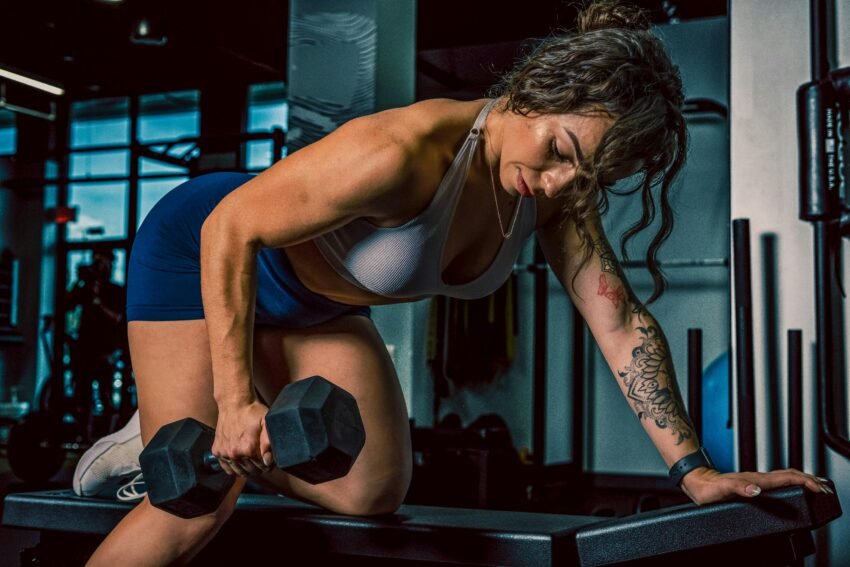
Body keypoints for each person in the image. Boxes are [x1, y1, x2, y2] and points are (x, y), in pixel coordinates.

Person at [79, 2, 831, 565]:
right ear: (535, 89)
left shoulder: (553, 197)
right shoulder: (404, 151)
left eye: (586, 173)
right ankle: (158, 441)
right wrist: (238, 401)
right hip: (202, 251)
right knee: (195, 503)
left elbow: (621, 321)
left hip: (315, 302)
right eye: (560, 148)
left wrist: (695, 473)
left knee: (372, 485)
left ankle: (187, 436)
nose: (560, 180)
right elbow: (229, 229)